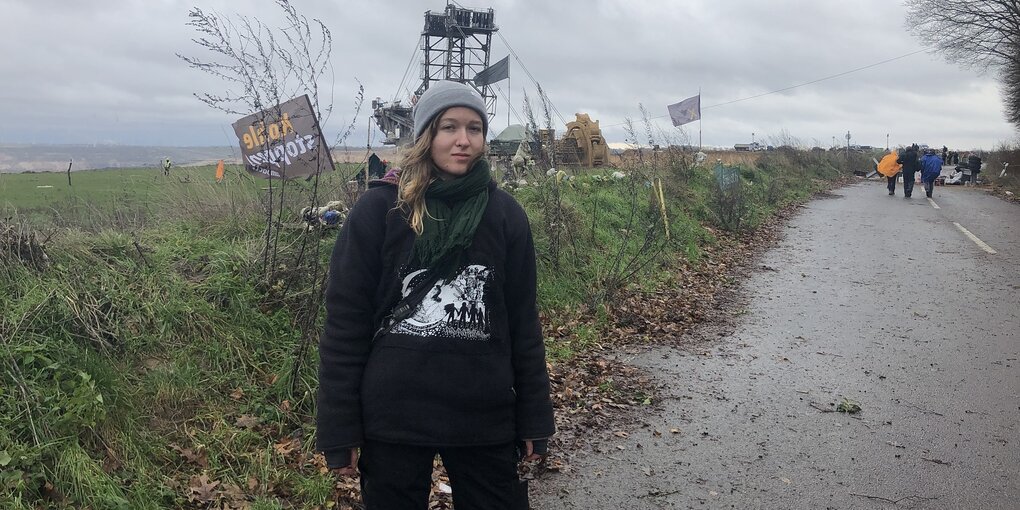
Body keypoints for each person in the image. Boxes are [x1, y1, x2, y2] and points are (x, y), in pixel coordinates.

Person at [316, 80, 555, 510]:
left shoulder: (505, 216)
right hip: (393, 417)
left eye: (474, 128)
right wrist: (340, 428)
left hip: (484, 414)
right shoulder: (381, 212)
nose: (463, 140)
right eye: (449, 127)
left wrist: (535, 418)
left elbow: (522, 323)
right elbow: (345, 325)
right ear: (426, 134)